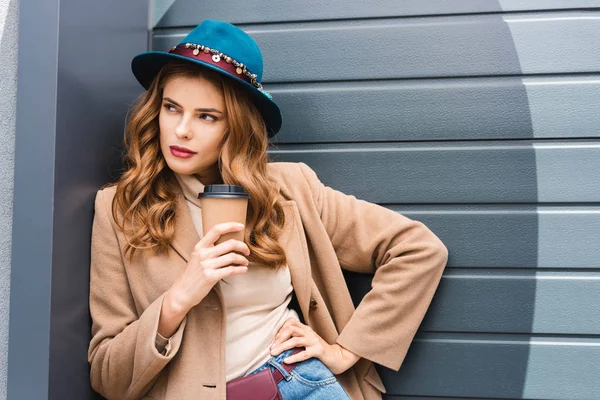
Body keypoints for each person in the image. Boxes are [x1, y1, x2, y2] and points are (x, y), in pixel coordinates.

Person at [88, 19, 448, 400]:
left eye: (206, 116)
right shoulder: (118, 209)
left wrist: (346, 351)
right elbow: (107, 375)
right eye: (172, 108)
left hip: (302, 385)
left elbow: (418, 249)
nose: (181, 130)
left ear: (236, 127)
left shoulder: (291, 190)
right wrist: (178, 299)